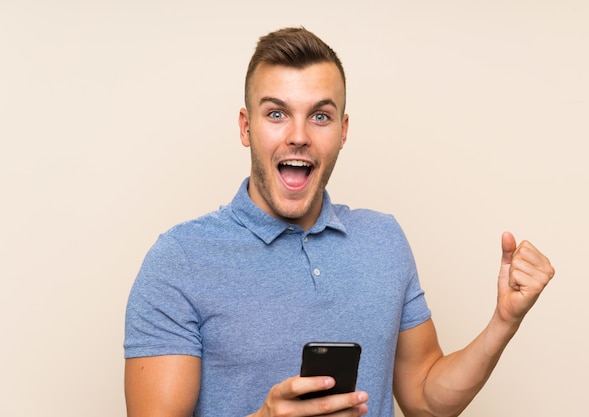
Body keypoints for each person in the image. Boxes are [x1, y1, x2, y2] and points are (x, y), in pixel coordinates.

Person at [124, 27, 555, 417]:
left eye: (320, 116)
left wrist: (504, 321)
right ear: (245, 127)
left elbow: (425, 399)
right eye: (276, 114)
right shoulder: (180, 259)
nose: (298, 135)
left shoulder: (383, 240)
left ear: (343, 131)